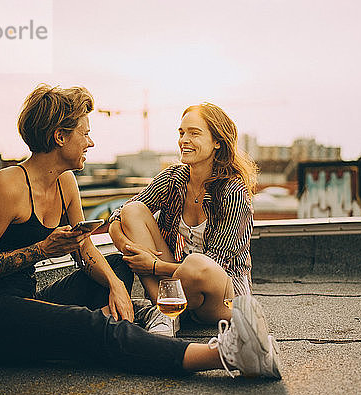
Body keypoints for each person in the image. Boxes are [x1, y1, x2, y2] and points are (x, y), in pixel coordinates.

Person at [0, 84, 281, 379]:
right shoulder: (6, 186)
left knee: (117, 270)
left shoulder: (66, 182)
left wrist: (116, 285)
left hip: (27, 299)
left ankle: (148, 314)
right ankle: (225, 354)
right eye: (84, 132)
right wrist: (41, 250)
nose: (90, 142)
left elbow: (85, 249)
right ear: (60, 137)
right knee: (89, 326)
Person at [108, 102, 257, 324]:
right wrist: (130, 249)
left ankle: (163, 312)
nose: (184, 140)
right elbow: (118, 216)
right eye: (182, 132)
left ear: (217, 141)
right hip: (174, 286)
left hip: (220, 297)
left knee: (195, 264)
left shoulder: (234, 192)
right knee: (133, 211)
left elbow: (214, 264)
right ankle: (164, 312)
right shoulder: (173, 178)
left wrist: (153, 266)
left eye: (194, 133)